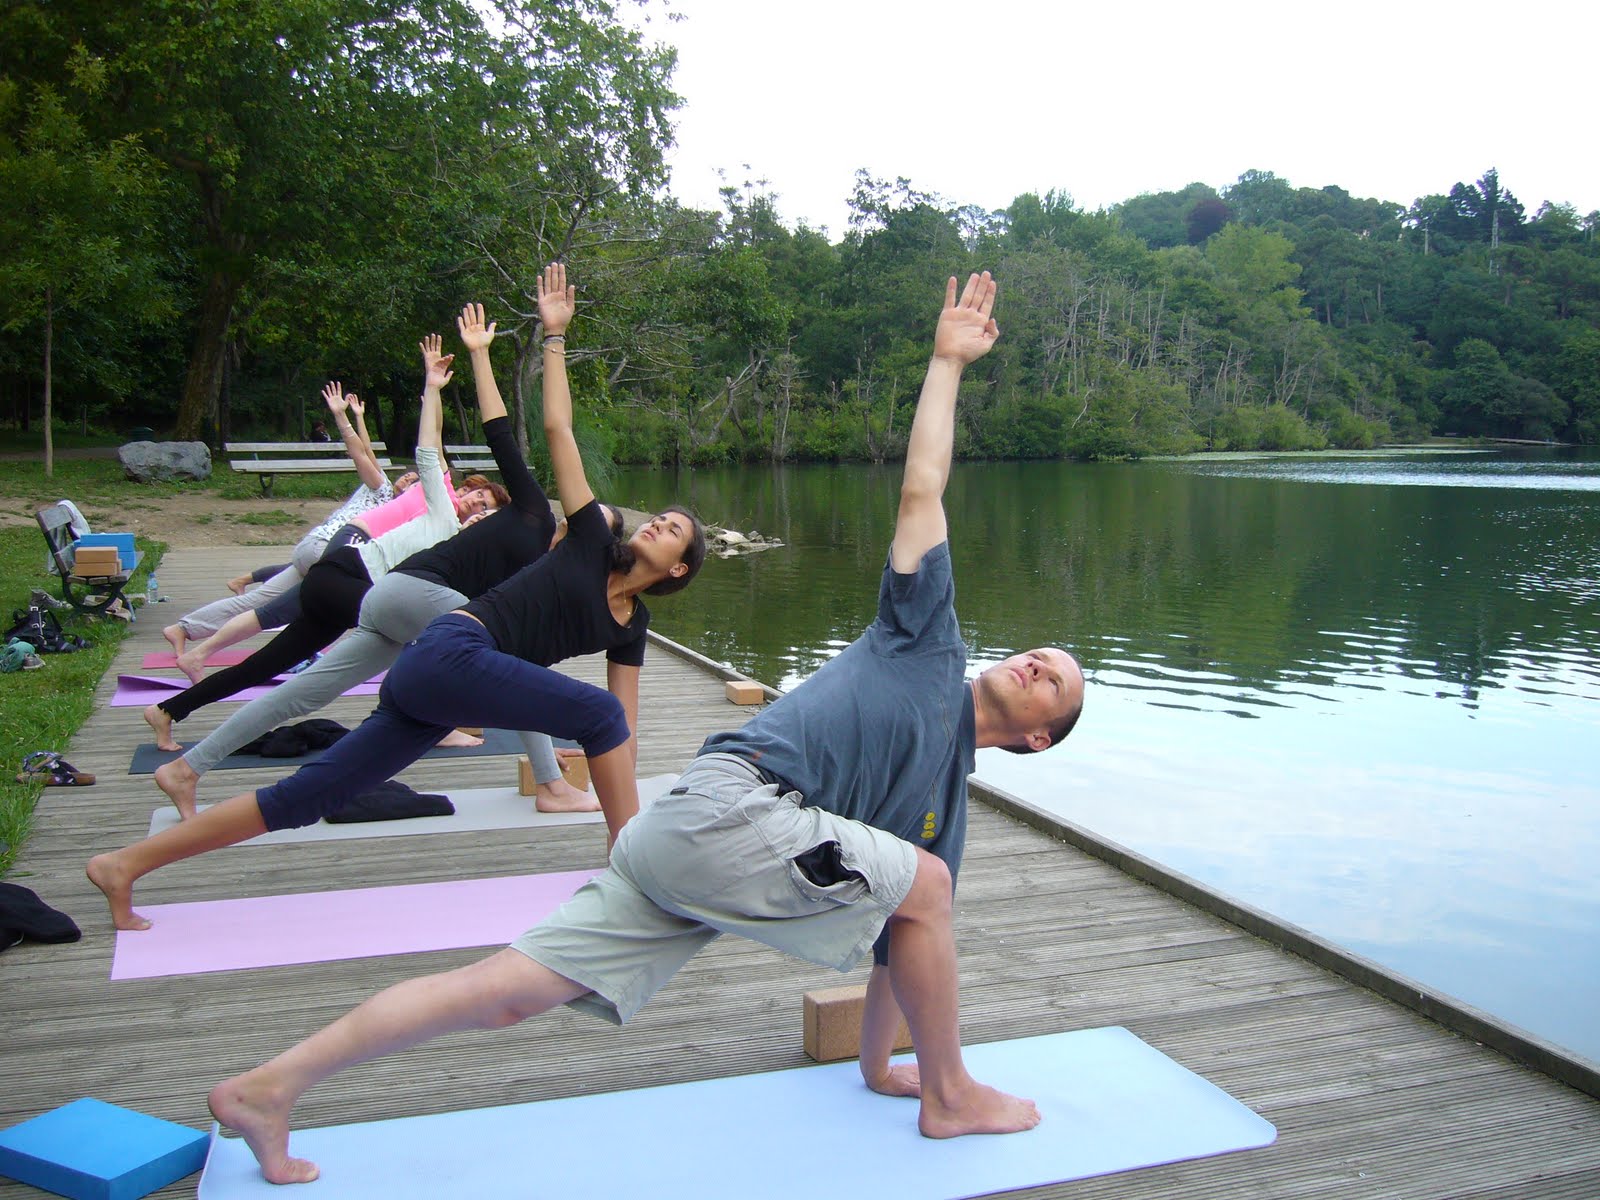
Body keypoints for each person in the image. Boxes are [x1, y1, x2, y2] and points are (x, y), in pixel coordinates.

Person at [200, 271, 1084, 1184]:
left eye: (1053, 679)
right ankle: (954, 1094)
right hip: (726, 807)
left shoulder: (941, 815)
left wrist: (873, 1068)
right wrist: (944, 364)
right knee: (928, 883)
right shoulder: (926, 641)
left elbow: (908, 938)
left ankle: (270, 1085)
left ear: (1036, 739)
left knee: (504, 996)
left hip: (691, 842)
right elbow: (922, 492)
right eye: (1039, 652)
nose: (1034, 661)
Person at [89, 266, 708, 933]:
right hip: (452, 647)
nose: (656, 524)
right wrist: (553, 339)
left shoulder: (631, 627)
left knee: (307, 796)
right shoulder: (588, 537)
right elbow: (558, 431)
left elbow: (625, 723)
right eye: (660, 517)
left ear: (676, 570)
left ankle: (125, 864)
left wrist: (620, 770)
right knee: (589, 712)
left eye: (672, 531)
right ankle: (629, 879)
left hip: (437, 693)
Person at [153, 275, 616, 819]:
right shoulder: (533, 511)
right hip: (412, 589)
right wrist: (480, 357)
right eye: (589, 520)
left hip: (391, 603)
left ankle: (187, 768)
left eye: (600, 531)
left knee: (302, 694)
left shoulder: (546, 575)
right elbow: (500, 431)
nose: (585, 529)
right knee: (517, 662)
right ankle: (550, 785)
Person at [141, 337, 502, 753]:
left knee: (265, 665)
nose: (479, 511)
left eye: (487, 513)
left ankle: (168, 710)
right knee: (423, 642)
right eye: (481, 505)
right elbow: (428, 449)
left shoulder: (463, 549)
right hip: (348, 575)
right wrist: (432, 388)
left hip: (337, 587)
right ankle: (436, 726)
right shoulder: (440, 506)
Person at [162, 386, 418, 653]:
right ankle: (319, 652)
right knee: (339, 602)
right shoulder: (382, 490)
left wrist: (355, 416)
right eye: (407, 475)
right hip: (325, 550)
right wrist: (348, 417)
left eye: (413, 481)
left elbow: (365, 452)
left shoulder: (393, 502)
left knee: (259, 602)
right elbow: (363, 453)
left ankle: (183, 628)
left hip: (312, 547)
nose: (407, 478)